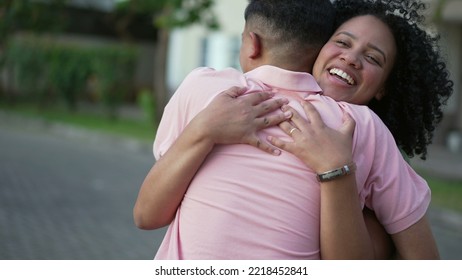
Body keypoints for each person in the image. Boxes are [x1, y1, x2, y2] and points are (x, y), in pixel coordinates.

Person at [134, 0, 451, 259]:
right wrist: (204, 128)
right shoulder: (215, 91)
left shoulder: (365, 128)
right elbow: (146, 215)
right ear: (316, 50)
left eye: (372, 58)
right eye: (342, 42)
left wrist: (335, 170)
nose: (351, 58)